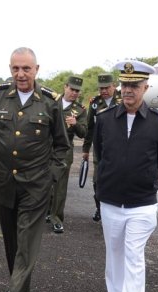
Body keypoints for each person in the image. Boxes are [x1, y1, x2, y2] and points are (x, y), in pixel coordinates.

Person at [0, 47, 69, 292]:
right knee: (12, 241)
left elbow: (62, 146)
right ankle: (16, 283)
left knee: (26, 242)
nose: (21, 74)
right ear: (10, 69)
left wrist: (50, 178)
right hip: (3, 183)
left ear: (36, 70)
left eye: (26, 68)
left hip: (36, 186)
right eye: (16, 68)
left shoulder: (50, 102)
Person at [94, 60, 158, 292]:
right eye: (125, 85)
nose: (128, 90)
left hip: (142, 203)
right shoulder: (104, 119)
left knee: (134, 257)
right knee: (114, 253)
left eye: (134, 85)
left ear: (145, 88)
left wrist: (143, 180)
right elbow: (101, 154)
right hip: (111, 200)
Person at [48, 75, 88, 233]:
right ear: (65, 87)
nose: (74, 93)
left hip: (64, 150)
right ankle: (44, 212)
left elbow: (83, 133)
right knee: (41, 182)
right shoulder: (51, 101)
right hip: (44, 148)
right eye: (72, 89)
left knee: (60, 186)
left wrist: (75, 124)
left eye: (77, 91)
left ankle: (56, 218)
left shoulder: (80, 110)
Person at [82, 73, 122, 222]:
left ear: (114, 86)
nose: (103, 91)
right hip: (100, 148)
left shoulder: (123, 100)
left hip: (119, 148)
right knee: (97, 181)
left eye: (107, 87)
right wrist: (86, 149)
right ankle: (100, 208)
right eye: (101, 88)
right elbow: (90, 127)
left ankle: (115, 209)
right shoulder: (95, 103)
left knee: (117, 180)